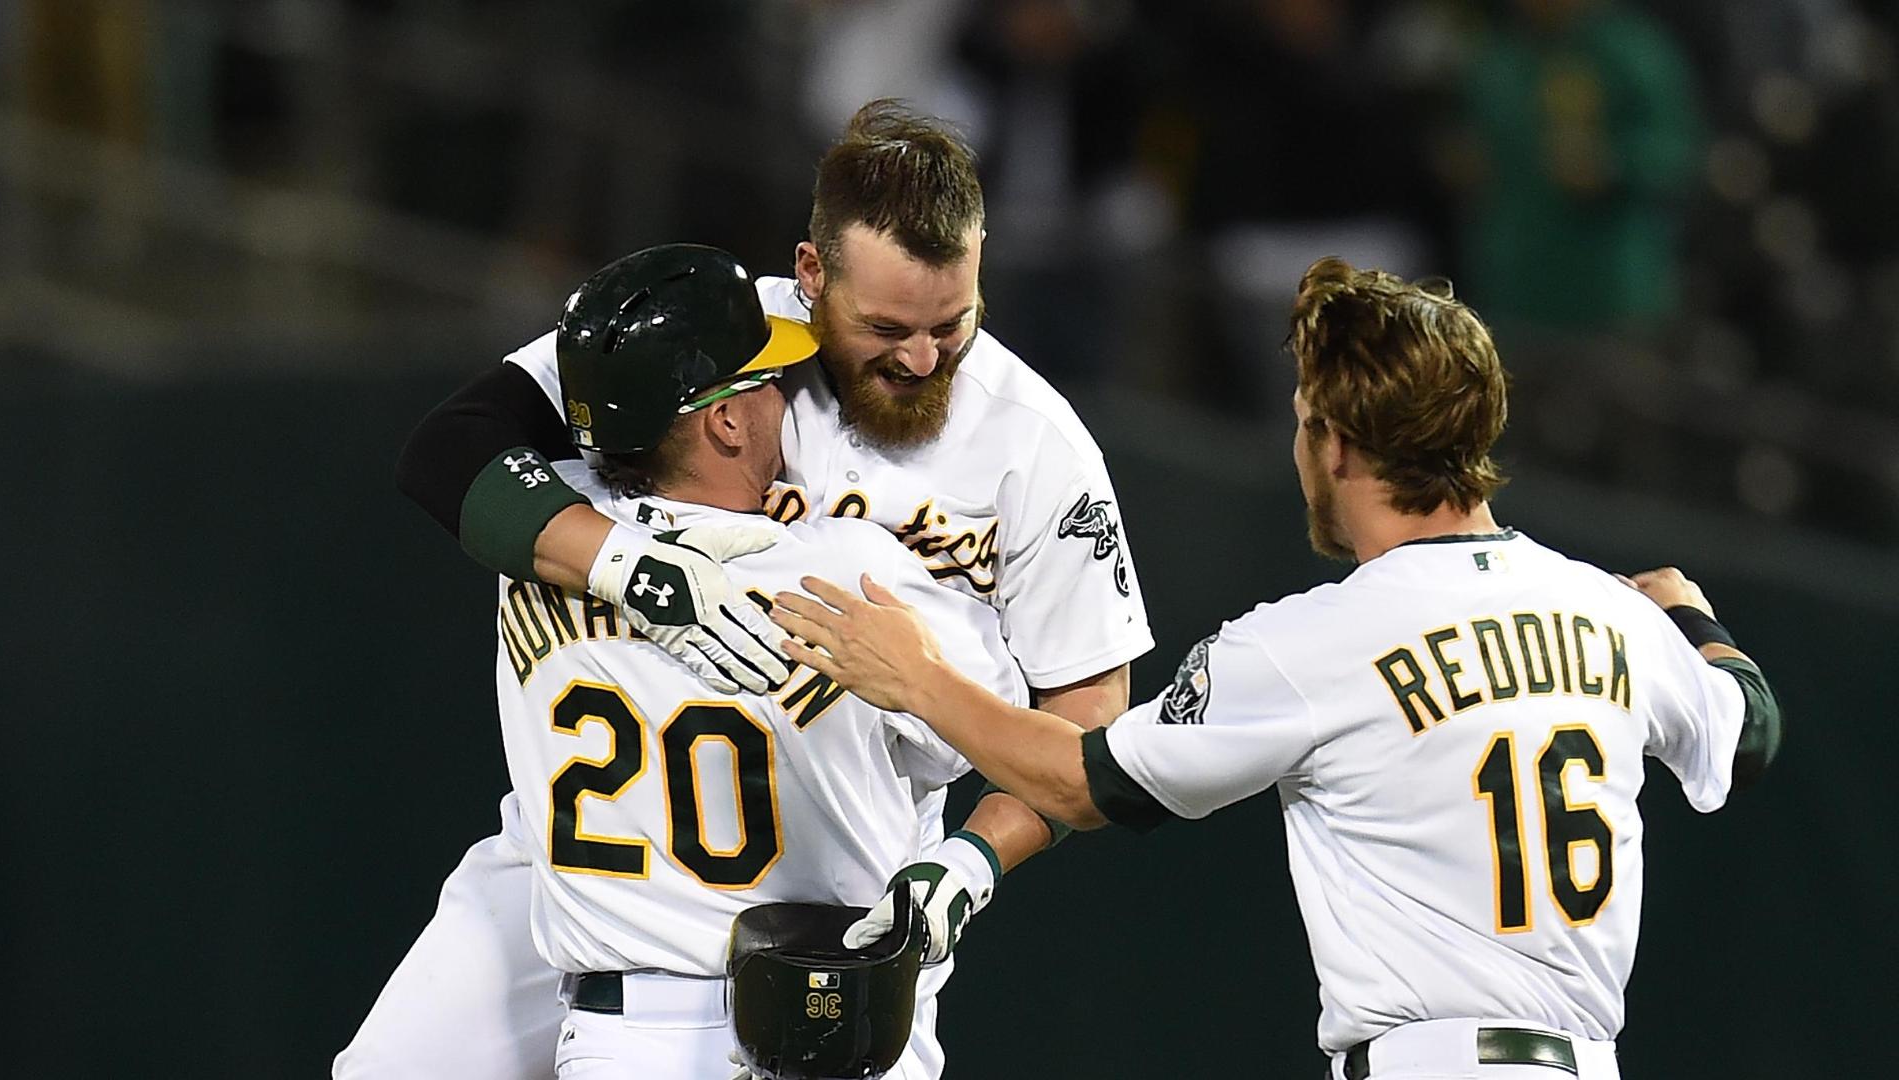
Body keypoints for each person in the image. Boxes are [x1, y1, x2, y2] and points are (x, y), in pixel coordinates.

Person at [772, 256, 1784, 1080]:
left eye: (1307, 420)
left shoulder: (1318, 641)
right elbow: (1751, 726)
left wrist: (918, 679)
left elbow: (1082, 782)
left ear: (1338, 444)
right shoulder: (1604, 612)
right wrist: (1688, 614)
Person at [338, 100, 1154, 1079]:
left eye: (953, 322)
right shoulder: (715, 334)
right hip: (578, 873)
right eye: (886, 325)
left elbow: (1087, 720)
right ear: (809, 279)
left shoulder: (1035, 442)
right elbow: (454, 443)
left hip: (832, 882)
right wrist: (641, 571)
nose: (923, 356)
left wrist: (975, 858)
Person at [475, 242, 1023, 1079]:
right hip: (821, 1029)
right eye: (768, 380)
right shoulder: (843, 568)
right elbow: (991, 742)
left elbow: (493, 483)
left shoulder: (538, 559)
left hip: (616, 1043)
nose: (788, 397)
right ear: (726, 421)